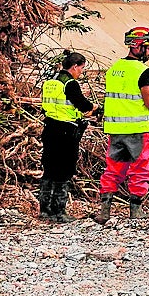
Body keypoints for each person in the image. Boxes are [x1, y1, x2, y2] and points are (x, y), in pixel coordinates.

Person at [96, 26, 149, 224]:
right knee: (139, 170)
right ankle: (136, 211)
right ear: (138, 46)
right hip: (139, 131)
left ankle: (104, 212)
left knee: (113, 169)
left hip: (115, 130)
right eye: (148, 47)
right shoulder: (143, 71)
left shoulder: (114, 69)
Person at [36, 51, 95, 222]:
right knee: (64, 170)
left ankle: (44, 210)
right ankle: (59, 212)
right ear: (74, 66)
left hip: (49, 128)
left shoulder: (51, 82)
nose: (81, 72)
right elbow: (82, 104)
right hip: (66, 131)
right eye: (81, 68)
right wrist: (94, 108)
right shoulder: (70, 83)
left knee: (49, 169)